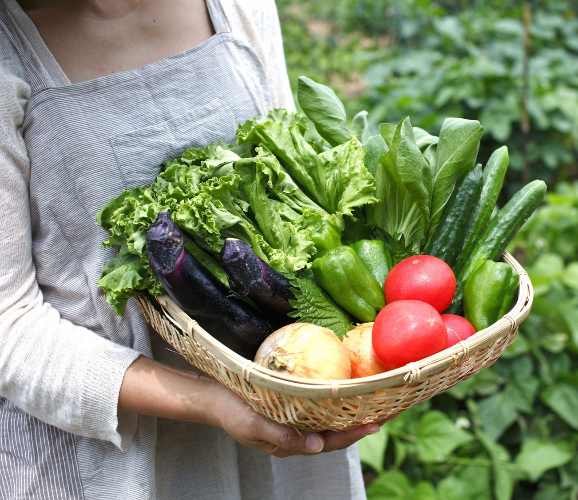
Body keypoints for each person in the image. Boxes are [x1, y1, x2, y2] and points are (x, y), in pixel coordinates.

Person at [0, 1, 380, 498]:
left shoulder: (239, 7)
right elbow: (10, 324)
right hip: (107, 455)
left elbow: (287, 172)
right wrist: (212, 401)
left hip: (284, 393)